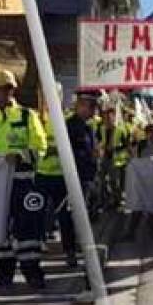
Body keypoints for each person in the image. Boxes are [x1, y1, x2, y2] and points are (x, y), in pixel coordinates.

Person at [0, 70, 49, 290]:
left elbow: (40, 146)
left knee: (28, 229)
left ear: (9, 91)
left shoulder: (27, 117)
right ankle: (4, 272)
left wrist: (21, 155)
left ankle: (32, 272)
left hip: (23, 181)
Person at [35, 90, 99, 270]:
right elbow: (67, 151)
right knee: (65, 216)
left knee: (77, 216)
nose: (93, 111)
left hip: (83, 177)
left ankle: (75, 248)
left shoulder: (88, 127)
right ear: (81, 106)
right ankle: (68, 250)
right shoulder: (69, 126)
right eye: (90, 107)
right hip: (67, 178)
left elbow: (89, 152)